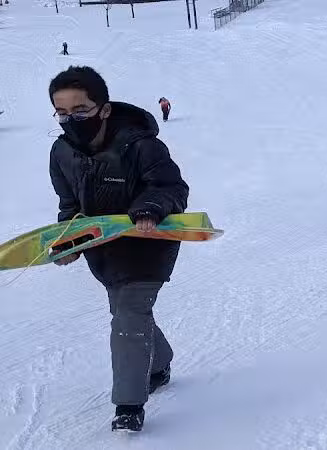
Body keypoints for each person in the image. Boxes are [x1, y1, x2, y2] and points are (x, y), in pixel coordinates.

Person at [48, 66, 189, 432]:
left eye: (79, 111)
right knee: (126, 310)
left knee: (127, 313)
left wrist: (150, 207)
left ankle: (128, 404)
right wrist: (69, 241)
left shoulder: (141, 145)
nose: (70, 120)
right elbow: (69, 205)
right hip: (105, 250)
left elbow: (173, 188)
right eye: (62, 113)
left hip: (149, 242)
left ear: (104, 108)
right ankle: (159, 364)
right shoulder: (62, 152)